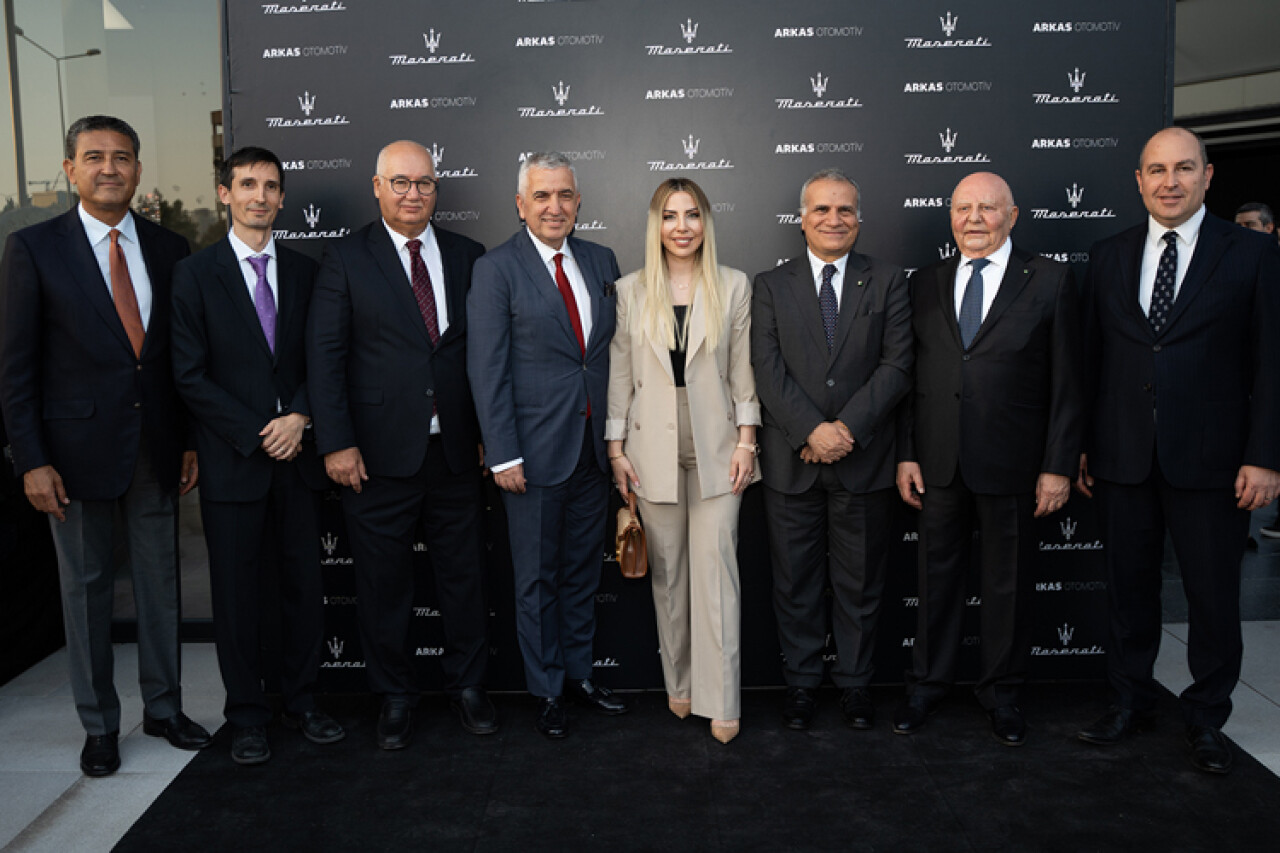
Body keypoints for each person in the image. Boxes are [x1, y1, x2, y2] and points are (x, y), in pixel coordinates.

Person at [0, 115, 210, 776]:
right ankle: (99, 725)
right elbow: (15, 368)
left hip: (155, 446)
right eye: (94, 157)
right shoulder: (33, 249)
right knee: (86, 591)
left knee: (160, 585)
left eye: (122, 157)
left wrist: (187, 439)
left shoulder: (170, 247)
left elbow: (177, 357)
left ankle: (165, 708)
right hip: (71, 455)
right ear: (71, 170)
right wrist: (31, 459)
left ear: (139, 170)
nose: (110, 168)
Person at [1076, 127, 1280, 775]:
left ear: (1207, 176)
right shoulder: (1108, 254)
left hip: (1215, 461)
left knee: (1213, 597)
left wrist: (1265, 455)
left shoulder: (1253, 252)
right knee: (1127, 592)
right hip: (1122, 456)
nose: (1170, 182)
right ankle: (1129, 701)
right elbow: (1091, 361)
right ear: (1139, 180)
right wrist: (1083, 446)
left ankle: (1206, 718)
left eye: (1184, 168)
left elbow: (1273, 363)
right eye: (1157, 170)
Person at [307, 140, 494, 749]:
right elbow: (325, 357)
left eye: (424, 183)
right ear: (377, 187)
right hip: (376, 457)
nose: (414, 193)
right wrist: (336, 443)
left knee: (465, 580)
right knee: (383, 585)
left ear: (436, 189)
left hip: (456, 453)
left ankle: (469, 686)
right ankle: (393, 695)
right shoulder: (345, 258)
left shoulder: (469, 256)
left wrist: (490, 436)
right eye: (401, 182)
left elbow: (486, 357)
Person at [893, 172, 1082, 746]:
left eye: (988, 208)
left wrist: (1057, 465)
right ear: (950, 217)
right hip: (938, 461)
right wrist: (907, 454)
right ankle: (927, 687)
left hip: (1015, 464)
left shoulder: (1050, 279)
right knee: (935, 581)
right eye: (963, 208)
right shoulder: (925, 282)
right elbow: (910, 378)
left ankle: (1002, 694)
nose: (973, 219)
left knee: (1008, 585)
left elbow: (1069, 383)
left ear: (1013, 215)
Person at [171, 146, 343, 764]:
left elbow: (326, 356)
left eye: (270, 186)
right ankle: (246, 715)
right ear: (225, 193)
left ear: (282, 197)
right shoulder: (194, 275)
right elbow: (189, 375)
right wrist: (259, 431)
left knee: (304, 589)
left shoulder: (305, 271)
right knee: (238, 598)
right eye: (247, 185)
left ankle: (303, 702)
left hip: (299, 457)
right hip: (234, 462)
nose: (259, 197)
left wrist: (300, 416)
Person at [468, 152, 627, 739]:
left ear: (578, 203)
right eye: (542, 196)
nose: (554, 207)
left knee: (583, 574)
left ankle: (580, 675)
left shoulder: (601, 260)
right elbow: (486, 368)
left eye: (564, 195)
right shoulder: (496, 269)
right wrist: (503, 453)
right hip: (530, 457)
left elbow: (609, 356)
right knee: (536, 580)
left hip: (592, 450)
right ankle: (547, 690)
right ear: (520, 205)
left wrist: (617, 441)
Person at [751, 168, 912, 731]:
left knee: (860, 584)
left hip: (863, 459)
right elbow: (765, 368)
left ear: (859, 220)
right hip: (790, 461)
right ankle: (800, 683)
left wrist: (845, 428)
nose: (834, 219)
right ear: (802, 220)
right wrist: (810, 431)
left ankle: (855, 684)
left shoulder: (888, 281)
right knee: (794, 583)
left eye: (845, 210)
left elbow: (898, 365)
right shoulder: (770, 285)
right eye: (822, 209)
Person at [606, 178, 760, 744]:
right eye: (670, 216)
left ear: (705, 222)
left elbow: (742, 370)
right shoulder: (630, 290)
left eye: (692, 215)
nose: (681, 227)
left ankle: (722, 700)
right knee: (669, 576)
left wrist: (747, 441)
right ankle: (681, 683)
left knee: (718, 574)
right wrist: (615, 449)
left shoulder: (733, 285)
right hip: (649, 445)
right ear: (656, 224)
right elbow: (620, 376)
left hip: (720, 445)